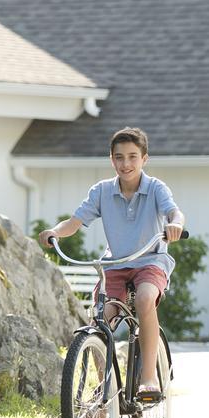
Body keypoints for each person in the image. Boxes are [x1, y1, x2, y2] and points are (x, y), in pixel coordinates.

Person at [40, 127, 185, 402]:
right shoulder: (102, 191)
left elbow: (174, 212)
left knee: (144, 299)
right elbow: (75, 221)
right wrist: (56, 232)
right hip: (116, 264)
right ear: (111, 160)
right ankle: (105, 388)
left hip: (151, 260)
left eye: (132, 157)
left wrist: (175, 224)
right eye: (119, 157)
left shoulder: (155, 189)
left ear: (144, 159)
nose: (126, 164)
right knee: (99, 320)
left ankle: (148, 378)